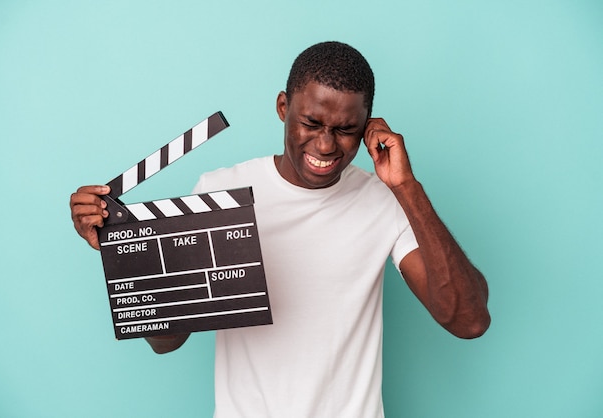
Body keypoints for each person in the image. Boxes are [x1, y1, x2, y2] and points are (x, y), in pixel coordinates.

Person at [70, 41, 490, 417]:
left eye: (345, 130)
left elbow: (468, 320)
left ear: (366, 129)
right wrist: (123, 248)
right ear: (283, 108)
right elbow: (167, 341)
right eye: (311, 123)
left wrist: (406, 187)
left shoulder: (383, 200)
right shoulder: (220, 192)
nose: (326, 146)